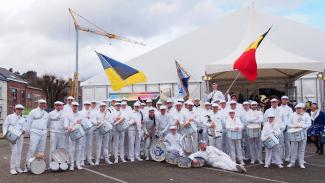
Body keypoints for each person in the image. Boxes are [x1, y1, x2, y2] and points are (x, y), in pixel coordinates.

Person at [3, 104, 27, 175]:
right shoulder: (9, 117)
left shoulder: (23, 119)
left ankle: (17, 167)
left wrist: (24, 130)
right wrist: (5, 135)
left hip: (20, 137)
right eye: (18, 109)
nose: (19, 111)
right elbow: (5, 126)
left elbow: (24, 127)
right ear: (15, 109)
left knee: (19, 152)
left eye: (21, 110)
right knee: (14, 151)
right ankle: (12, 168)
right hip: (12, 136)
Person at [287, 103, 311, 169]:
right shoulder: (292, 114)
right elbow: (288, 123)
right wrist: (294, 126)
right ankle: (292, 162)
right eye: (297, 108)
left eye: (299, 108)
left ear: (302, 108)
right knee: (293, 148)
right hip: (294, 133)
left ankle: (301, 162)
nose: (298, 109)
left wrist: (302, 126)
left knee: (302, 149)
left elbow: (309, 124)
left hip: (303, 133)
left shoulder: (306, 115)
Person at [25, 99, 49, 166]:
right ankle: (28, 164)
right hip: (35, 132)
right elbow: (29, 121)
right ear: (38, 104)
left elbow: (47, 124)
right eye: (41, 103)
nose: (42, 105)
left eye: (44, 103)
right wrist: (28, 131)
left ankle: (40, 165)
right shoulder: (33, 111)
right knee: (32, 148)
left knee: (41, 150)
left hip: (43, 132)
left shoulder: (46, 114)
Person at [64, 101, 83, 170]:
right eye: (74, 106)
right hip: (71, 132)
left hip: (79, 132)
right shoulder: (68, 114)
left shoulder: (80, 114)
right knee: (72, 149)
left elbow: (83, 122)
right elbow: (65, 124)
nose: (75, 107)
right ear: (72, 106)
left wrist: (81, 122)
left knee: (79, 149)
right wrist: (67, 128)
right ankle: (72, 164)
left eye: (76, 106)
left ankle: (77, 163)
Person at [80, 101, 96, 166]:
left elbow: (94, 121)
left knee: (89, 145)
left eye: (88, 105)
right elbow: (80, 120)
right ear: (84, 105)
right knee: (83, 145)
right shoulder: (81, 112)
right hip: (84, 129)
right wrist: (84, 124)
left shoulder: (92, 112)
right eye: (86, 104)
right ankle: (82, 159)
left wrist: (91, 120)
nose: (87, 106)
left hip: (90, 129)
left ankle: (89, 159)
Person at [278, 96, 293, 162]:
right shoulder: (278, 108)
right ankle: (281, 157)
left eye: (286, 99)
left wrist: (286, 127)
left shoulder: (290, 109)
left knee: (287, 143)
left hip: (287, 128)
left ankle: (287, 156)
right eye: (283, 99)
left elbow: (290, 119)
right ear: (281, 100)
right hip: (280, 128)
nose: (284, 100)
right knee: (280, 144)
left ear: (287, 100)